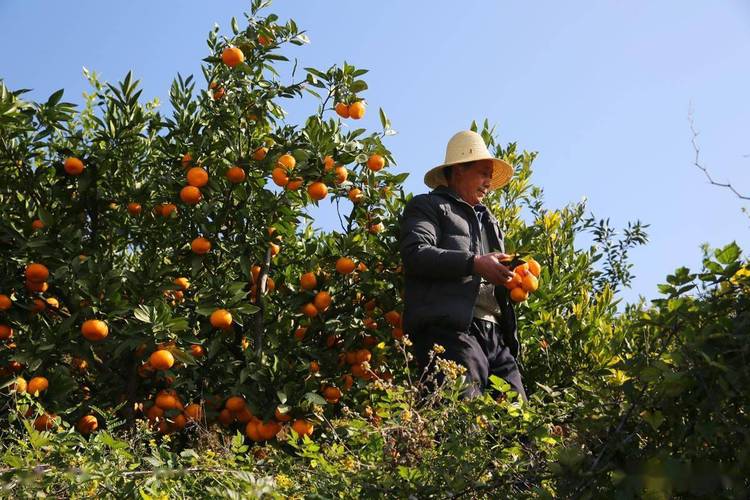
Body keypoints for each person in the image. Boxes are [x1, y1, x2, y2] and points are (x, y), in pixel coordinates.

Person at [399, 130, 527, 401]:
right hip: (452, 330)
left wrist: (513, 277)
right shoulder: (428, 206)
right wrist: (475, 264)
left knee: (518, 419)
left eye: (490, 176)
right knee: (464, 413)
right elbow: (416, 253)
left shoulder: (489, 221)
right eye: (483, 173)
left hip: (495, 335)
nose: (488, 183)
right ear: (458, 170)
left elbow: (490, 270)